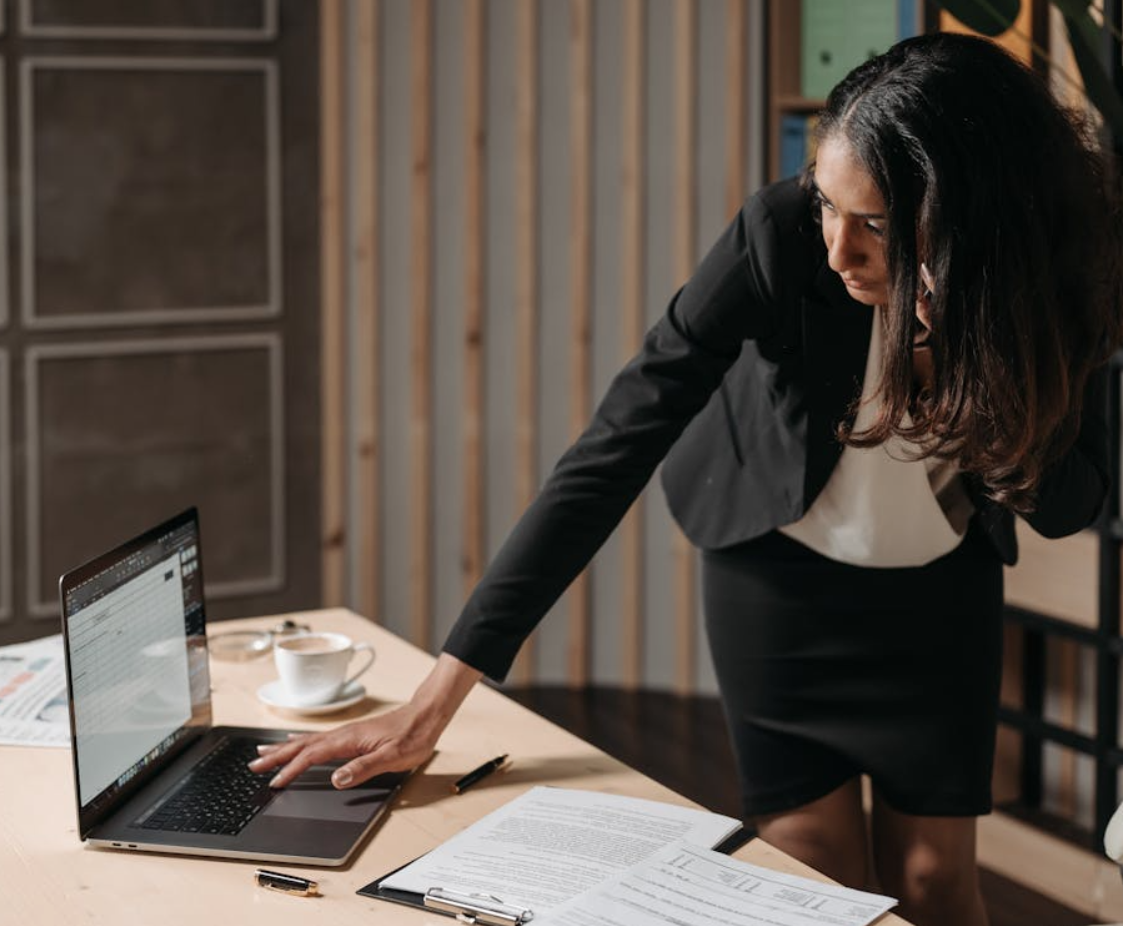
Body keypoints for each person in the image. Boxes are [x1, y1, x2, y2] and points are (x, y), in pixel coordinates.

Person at [251, 32, 1122, 926]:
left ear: (968, 222)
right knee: (809, 872)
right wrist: (437, 701)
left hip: (941, 589)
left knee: (939, 885)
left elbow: (1071, 504)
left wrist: (969, 365)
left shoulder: (1060, 268)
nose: (836, 250)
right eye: (828, 203)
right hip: (778, 582)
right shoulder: (778, 233)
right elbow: (619, 439)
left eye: (874, 226)